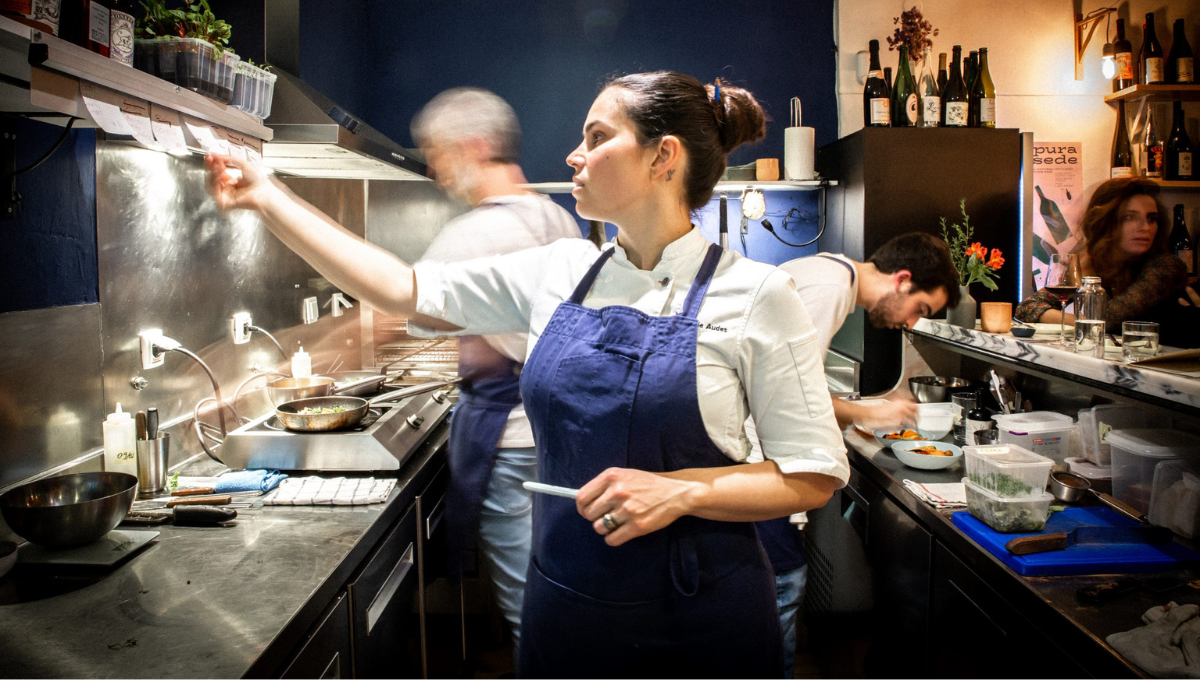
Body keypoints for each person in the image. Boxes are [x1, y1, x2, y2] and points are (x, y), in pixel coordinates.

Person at [206, 71, 848, 678]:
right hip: (565, 603)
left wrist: (681, 492)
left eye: (597, 138)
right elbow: (403, 288)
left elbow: (813, 474)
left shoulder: (760, 293)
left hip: (700, 618)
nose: (573, 155)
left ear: (663, 158)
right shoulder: (559, 270)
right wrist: (268, 197)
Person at [410, 88, 581, 652]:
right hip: (559, 434)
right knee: (559, 588)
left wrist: (305, 336)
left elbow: (392, 309)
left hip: (511, 444)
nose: (434, 170)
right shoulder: (556, 216)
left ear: (476, 146)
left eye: (435, 152)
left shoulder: (474, 233)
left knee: (528, 605)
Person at [749, 232, 960, 677]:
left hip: (761, 459)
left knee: (779, 586)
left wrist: (861, 414)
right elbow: (786, 394)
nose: (910, 323)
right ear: (902, 280)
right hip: (758, 463)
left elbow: (792, 383)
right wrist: (871, 411)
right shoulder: (829, 289)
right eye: (920, 309)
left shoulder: (829, 272)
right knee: (782, 586)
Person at [1015, 178, 1187, 329]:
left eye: (1151, 218)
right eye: (1129, 217)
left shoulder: (1166, 267)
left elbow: (1109, 320)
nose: (1145, 227)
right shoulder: (1099, 263)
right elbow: (1026, 308)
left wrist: (1074, 320)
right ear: (1105, 222)